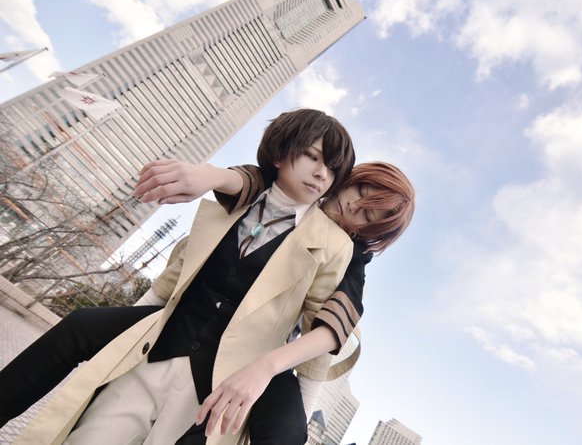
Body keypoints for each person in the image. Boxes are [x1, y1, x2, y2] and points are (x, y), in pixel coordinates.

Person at [0, 155, 415, 442]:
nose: (355, 207)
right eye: (362, 191)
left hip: (260, 353)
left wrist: (284, 386)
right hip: (183, 320)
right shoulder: (281, 188)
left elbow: (329, 332)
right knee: (81, 326)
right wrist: (210, 176)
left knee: (287, 433)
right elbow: (248, 180)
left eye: (369, 216)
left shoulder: (348, 254)